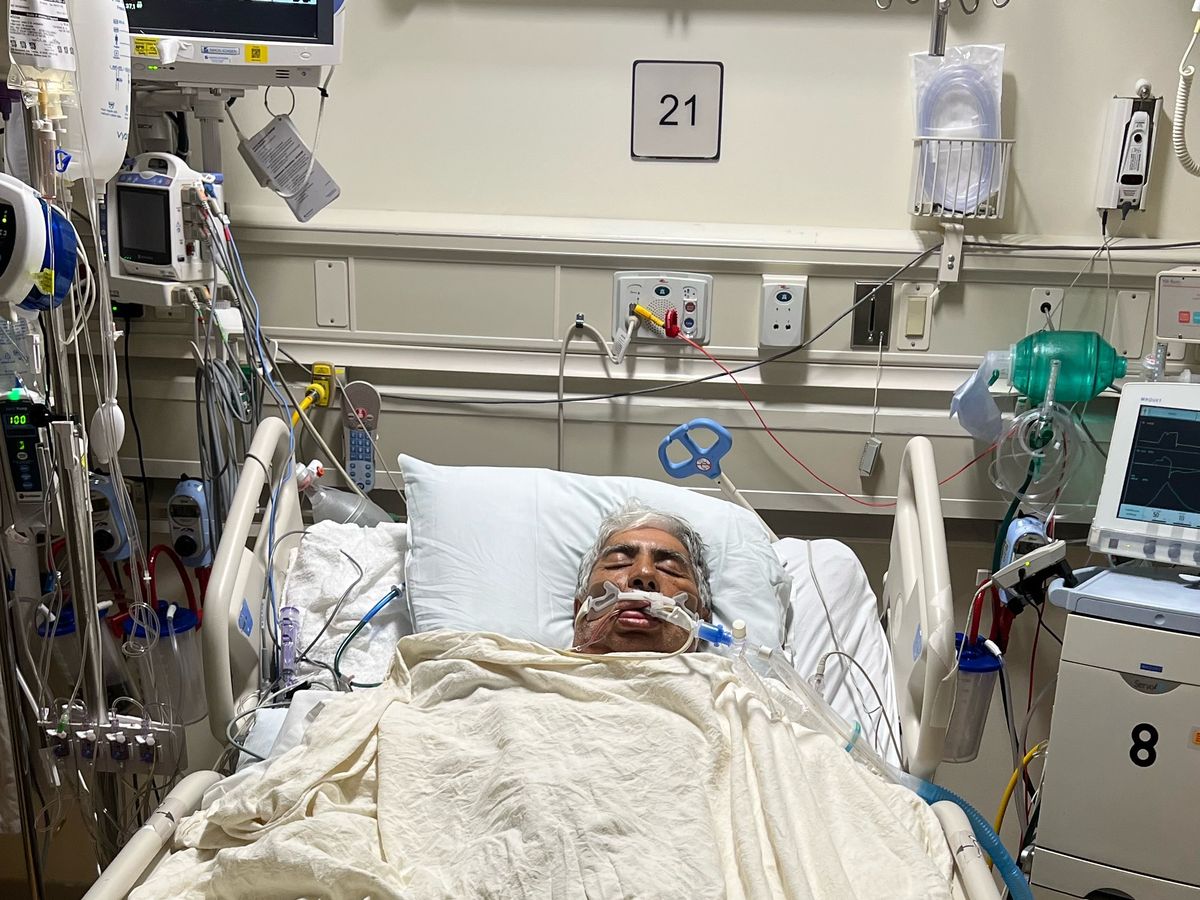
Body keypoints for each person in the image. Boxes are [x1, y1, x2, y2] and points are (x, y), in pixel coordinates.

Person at [571, 501, 714, 654]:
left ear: (702, 620)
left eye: (670, 568)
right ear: (580, 609)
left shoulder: (731, 670)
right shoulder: (549, 666)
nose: (644, 573)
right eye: (619, 562)